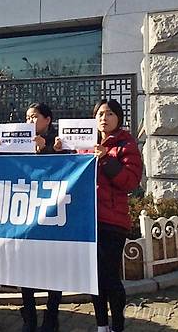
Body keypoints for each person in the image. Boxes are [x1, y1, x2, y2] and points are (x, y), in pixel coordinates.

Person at [54, 99, 142, 332]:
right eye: (100, 114)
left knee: (110, 277)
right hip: (86, 221)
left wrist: (106, 159)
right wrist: (59, 151)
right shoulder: (85, 144)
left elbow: (130, 181)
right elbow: (69, 171)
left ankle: (118, 325)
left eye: (110, 113)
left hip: (112, 221)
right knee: (94, 278)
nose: (104, 118)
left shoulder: (126, 144)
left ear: (119, 118)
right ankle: (101, 325)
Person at [0, 103, 62, 332]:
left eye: (34, 117)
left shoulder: (59, 141)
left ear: (48, 120)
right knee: (25, 266)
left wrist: (46, 149)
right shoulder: (19, 140)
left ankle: (51, 316)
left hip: (52, 212)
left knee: (54, 267)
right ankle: (29, 316)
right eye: (27, 118)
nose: (29, 121)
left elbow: (67, 168)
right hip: (25, 211)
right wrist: (0, 149)